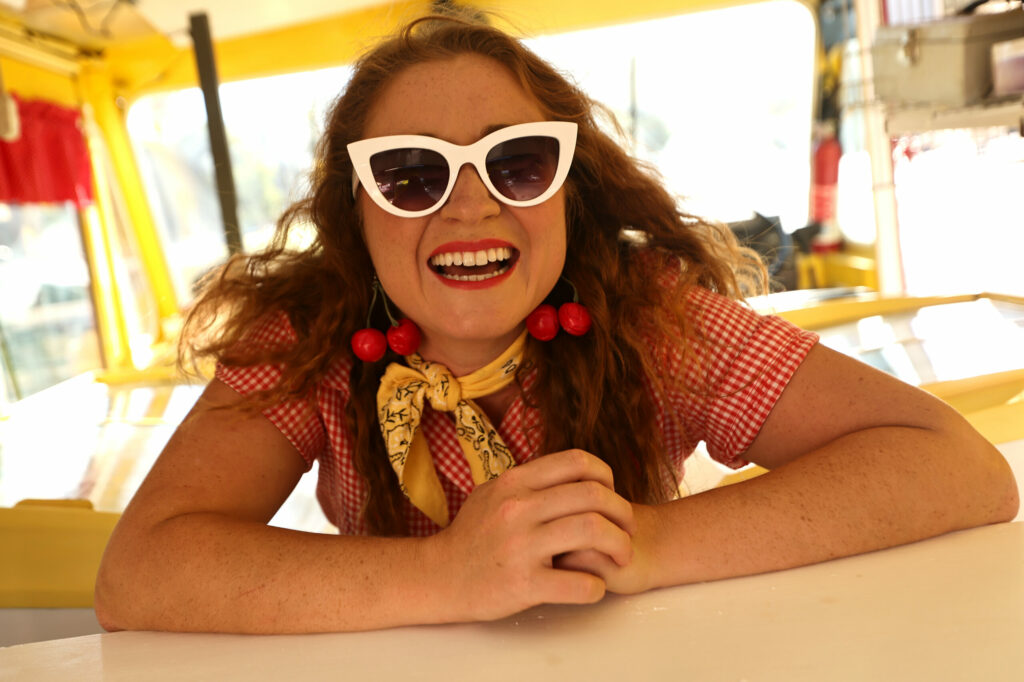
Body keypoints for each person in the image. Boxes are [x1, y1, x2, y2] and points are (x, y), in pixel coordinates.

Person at [94, 13, 1018, 634]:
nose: (468, 209)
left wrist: (645, 544)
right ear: (355, 210)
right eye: (412, 173)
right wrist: (448, 577)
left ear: (568, 192)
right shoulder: (308, 343)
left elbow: (956, 466)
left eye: (518, 162)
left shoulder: (651, 323)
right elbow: (139, 572)